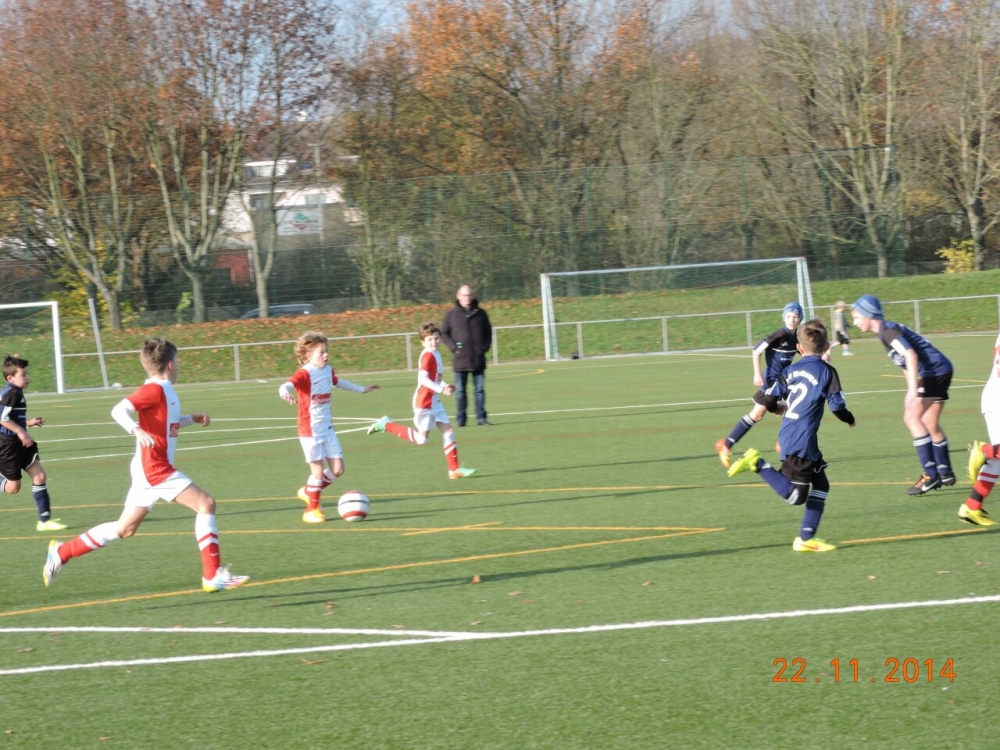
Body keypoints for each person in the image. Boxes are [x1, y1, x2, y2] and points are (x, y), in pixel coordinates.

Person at [43, 338, 248, 591]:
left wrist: (191, 419)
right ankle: (212, 575)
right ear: (170, 364)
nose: (178, 365)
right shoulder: (154, 390)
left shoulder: (165, 391)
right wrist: (136, 429)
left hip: (147, 468)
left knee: (125, 528)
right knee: (206, 503)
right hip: (155, 468)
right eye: (178, 361)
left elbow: (166, 424)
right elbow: (119, 410)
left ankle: (62, 552)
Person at [726, 319, 857, 552]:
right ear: (827, 347)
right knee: (797, 496)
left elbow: (769, 398)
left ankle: (806, 538)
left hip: (795, 435)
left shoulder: (790, 370)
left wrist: (776, 408)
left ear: (799, 348)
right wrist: (850, 419)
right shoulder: (828, 372)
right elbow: (837, 407)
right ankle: (757, 464)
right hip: (801, 441)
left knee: (821, 485)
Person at [851, 294, 956, 495]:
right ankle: (945, 472)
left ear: (868, 314)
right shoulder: (885, 331)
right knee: (929, 422)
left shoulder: (887, 332)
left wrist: (913, 390)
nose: (854, 322)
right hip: (940, 369)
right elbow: (905, 363)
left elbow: (910, 355)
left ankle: (930, 475)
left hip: (934, 371)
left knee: (911, 417)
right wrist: (911, 389)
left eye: (856, 317)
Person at [279, 331, 380, 523]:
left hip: (327, 429)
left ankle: (308, 491)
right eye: (321, 352)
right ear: (309, 355)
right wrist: (284, 392)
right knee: (317, 472)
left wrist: (362, 389)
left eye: (327, 351)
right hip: (310, 430)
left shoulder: (327, 370)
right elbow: (286, 386)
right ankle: (311, 510)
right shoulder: (304, 373)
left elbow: (337, 382)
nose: (326, 355)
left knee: (338, 469)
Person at [366, 322, 476, 479]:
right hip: (424, 402)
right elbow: (422, 379)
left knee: (448, 431)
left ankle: (454, 470)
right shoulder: (427, 356)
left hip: (434, 401)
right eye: (429, 339)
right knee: (422, 439)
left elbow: (436, 379)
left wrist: (445, 386)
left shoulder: (436, 354)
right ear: (423, 342)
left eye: (436, 338)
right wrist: (442, 390)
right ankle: (386, 425)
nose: (434, 342)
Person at [715, 302, 804, 468]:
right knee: (757, 415)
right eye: (789, 316)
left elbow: (806, 352)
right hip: (771, 381)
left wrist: (822, 355)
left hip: (785, 381)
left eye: (795, 316)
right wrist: (757, 374)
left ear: (800, 319)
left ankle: (782, 443)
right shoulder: (779, 334)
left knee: (795, 408)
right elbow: (756, 350)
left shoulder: (797, 338)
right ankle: (727, 444)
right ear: (784, 318)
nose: (792, 319)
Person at [0, 355, 67, 532]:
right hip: (8, 445)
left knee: (40, 476)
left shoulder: (15, 391)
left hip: (21, 443)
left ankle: (44, 521)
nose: (27, 377)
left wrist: (27, 423)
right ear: (10, 378)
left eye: (27, 373)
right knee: (13, 488)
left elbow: (10, 417)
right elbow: (2, 418)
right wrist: (21, 431)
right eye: (23, 375)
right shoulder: (11, 394)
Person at [962, 330, 1000, 526]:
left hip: (994, 398)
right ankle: (983, 451)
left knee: (998, 461)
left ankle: (972, 506)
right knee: (996, 456)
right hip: (997, 401)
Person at [441, 284, 493, 426]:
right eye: (464, 295)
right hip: (460, 360)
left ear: (472, 295)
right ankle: (461, 419)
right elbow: (444, 333)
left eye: (469, 295)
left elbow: (488, 332)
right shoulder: (451, 315)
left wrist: (483, 348)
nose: (467, 298)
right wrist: (454, 348)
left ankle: (481, 418)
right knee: (460, 392)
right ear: (458, 296)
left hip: (478, 359)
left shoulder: (481, 314)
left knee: (479, 391)